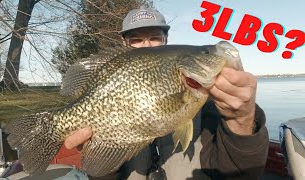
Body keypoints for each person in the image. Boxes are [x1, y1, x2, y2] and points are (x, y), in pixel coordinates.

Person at [64, 6, 269, 180]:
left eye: (154, 38)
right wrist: (100, 153)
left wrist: (242, 119)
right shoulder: (111, 79)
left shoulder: (207, 101)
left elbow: (241, 174)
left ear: (165, 40)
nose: (146, 45)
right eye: (136, 40)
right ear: (124, 44)